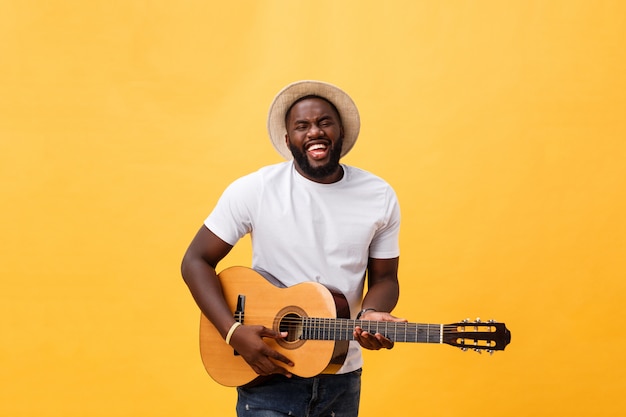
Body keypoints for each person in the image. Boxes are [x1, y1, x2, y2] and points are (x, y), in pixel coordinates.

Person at [181, 80, 405, 417]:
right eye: (302, 126)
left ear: (340, 131)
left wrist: (370, 315)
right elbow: (195, 261)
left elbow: (386, 278)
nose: (314, 131)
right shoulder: (255, 189)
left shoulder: (379, 195)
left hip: (340, 377)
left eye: (324, 122)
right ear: (288, 140)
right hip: (267, 374)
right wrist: (232, 332)